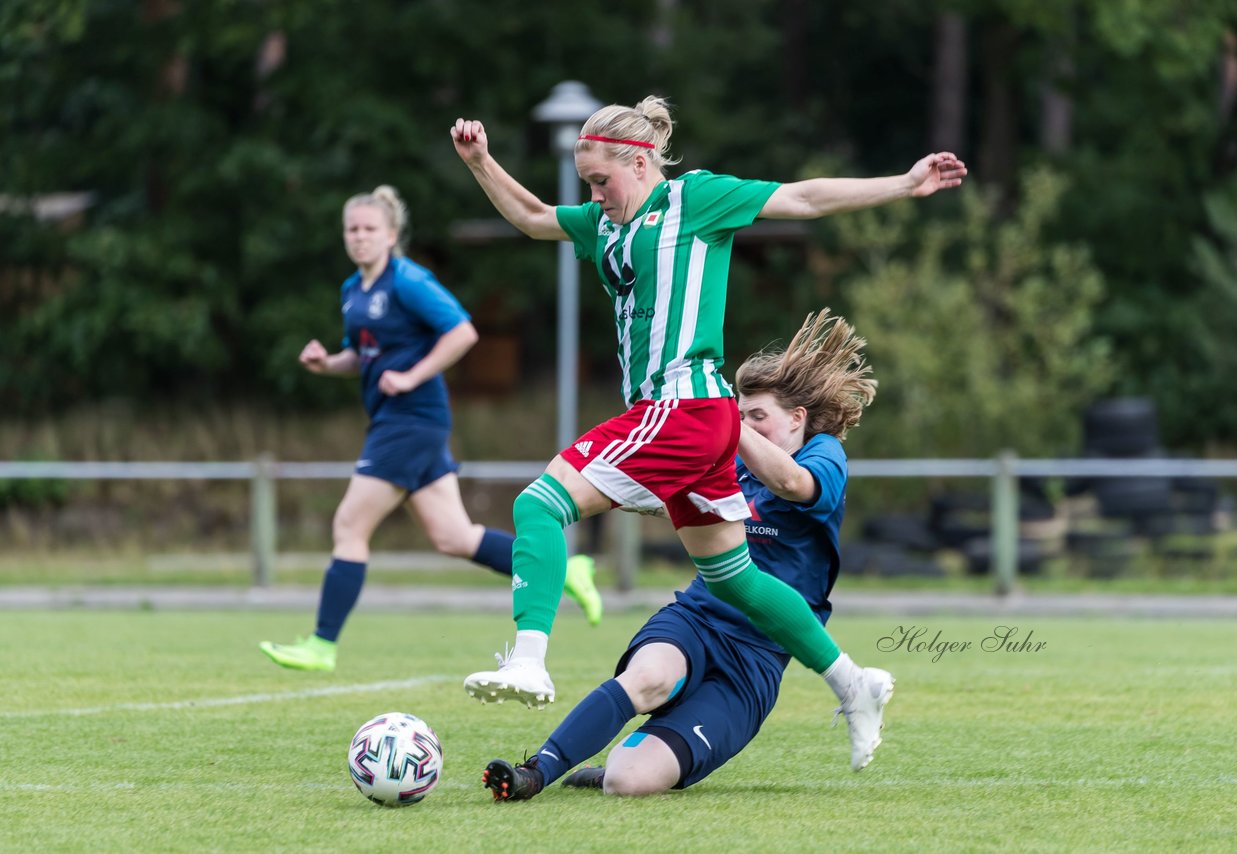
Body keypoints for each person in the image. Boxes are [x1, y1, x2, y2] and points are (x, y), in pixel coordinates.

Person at [450, 96, 964, 768]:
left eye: (602, 181)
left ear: (638, 164)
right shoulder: (604, 224)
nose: (593, 195)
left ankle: (529, 662)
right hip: (690, 423)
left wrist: (903, 183)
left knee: (537, 505)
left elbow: (803, 199)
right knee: (730, 576)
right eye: (586, 184)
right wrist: (481, 162)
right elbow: (532, 217)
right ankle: (853, 683)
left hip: (680, 410)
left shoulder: (696, 200)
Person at [482, 309, 884, 800]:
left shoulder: (823, 455)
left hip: (756, 660)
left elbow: (792, 483)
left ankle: (619, 764)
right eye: (740, 416)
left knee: (627, 782)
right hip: (697, 617)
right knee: (650, 678)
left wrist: (720, 424)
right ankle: (535, 771)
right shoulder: (726, 456)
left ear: (798, 419)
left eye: (758, 418)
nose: (744, 427)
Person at [259, 185, 602, 673]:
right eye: (352, 230)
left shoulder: (408, 281)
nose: (359, 238)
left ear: (391, 234)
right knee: (454, 537)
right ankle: (568, 570)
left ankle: (322, 644)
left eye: (369, 229)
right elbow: (366, 355)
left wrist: (413, 376)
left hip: (411, 421)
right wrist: (328, 363)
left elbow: (463, 331)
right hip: (397, 421)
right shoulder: (353, 291)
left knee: (349, 526)